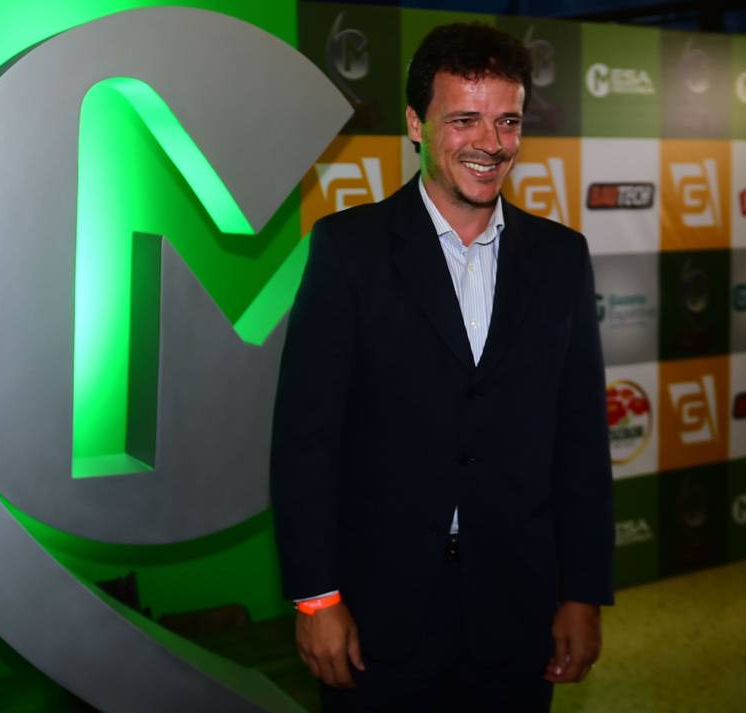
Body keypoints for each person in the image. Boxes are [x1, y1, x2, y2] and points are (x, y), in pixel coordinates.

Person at [270, 22, 613, 713]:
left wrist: (582, 591)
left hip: (517, 610)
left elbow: (580, 441)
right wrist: (316, 595)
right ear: (415, 125)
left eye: (507, 121)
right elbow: (306, 439)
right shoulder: (349, 251)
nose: (490, 143)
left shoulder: (560, 259)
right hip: (377, 613)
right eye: (464, 119)